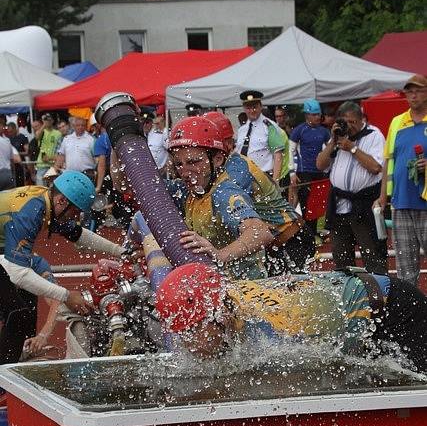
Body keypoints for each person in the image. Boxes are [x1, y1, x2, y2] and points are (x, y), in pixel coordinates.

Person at [155, 262, 427, 375]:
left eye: (192, 332)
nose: (188, 345)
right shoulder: (224, 297)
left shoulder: (267, 329)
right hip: (366, 307)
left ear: (221, 316)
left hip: (395, 309)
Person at [0, 171, 126, 364]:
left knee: (28, 296)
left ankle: (18, 352)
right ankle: (4, 373)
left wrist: (121, 251)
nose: (75, 218)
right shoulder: (32, 212)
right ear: (62, 201)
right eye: (75, 213)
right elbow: (18, 274)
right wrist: (67, 295)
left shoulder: (49, 205)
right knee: (16, 310)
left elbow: (78, 235)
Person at [204, 111, 315, 274]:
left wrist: (220, 254)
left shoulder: (236, 169)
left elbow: (236, 214)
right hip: (280, 240)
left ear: (226, 144)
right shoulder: (230, 165)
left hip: (291, 240)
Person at [167, 115, 274, 280]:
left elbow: (260, 232)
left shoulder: (223, 193)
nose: (185, 172)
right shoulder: (187, 189)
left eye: (194, 162)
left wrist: (220, 255)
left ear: (217, 160)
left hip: (247, 290)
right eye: (179, 164)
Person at [317, 101, 387, 274]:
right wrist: (333, 142)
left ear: (361, 119)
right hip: (339, 207)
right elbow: (320, 164)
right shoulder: (338, 137)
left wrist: (352, 148)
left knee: (372, 255)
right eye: (345, 122)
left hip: (364, 204)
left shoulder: (374, 135)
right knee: (341, 257)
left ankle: (380, 294)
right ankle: (347, 293)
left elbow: (376, 167)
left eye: (352, 122)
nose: (349, 126)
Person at [374, 74, 427, 286]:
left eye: (418, 90)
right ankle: (412, 314)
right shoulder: (397, 122)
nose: (413, 95)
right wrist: (383, 197)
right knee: (405, 269)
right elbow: (388, 162)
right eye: (409, 91)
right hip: (401, 204)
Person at [288, 99, 331, 229]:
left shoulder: (324, 131)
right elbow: (290, 151)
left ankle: (316, 231)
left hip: (320, 172)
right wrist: (292, 173)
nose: (318, 117)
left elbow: (330, 150)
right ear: (307, 115)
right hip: (304, 172)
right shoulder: (299, 130)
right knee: (306, 203)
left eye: (319, 114)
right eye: (315, 114)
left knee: (318, 204)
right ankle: (308, 232)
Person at [236, 90, 287, 183]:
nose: (252, 110)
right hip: (244, 178)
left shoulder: (268, 126)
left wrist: (276, 182)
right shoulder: (242, 130)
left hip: (263, 177)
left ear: (261, 106)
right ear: (244, 108)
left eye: (255, 107)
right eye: (248, 108)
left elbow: (278, 155)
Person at [55, 116, 96, 180]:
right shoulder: (67, 139)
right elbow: (61, 155)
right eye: (78, 125)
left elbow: (97, 158)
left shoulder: (91, 139)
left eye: (82, 125)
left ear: (85, 126)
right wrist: (57, 166)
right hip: (70, 174)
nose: (80, 127)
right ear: (74, 126)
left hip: (87, 174)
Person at [34, 113, 61, 184]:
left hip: (52, 164)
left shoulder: (58, 133)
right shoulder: (42, 131)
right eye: (45, 119)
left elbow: (59, 149)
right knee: (41, 187)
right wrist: (44, 125)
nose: (47, 121)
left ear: (52, 120)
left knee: (52, 187)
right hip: (41, 164)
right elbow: (37, 137)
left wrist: (51, 158)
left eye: (49, 119)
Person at [7, 122, 28, 186]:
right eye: (9, 131)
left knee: (21, 183)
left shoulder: (22, 137)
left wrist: (16, 154)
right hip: (12, 166)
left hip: (21, 165)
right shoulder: (8, 139)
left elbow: (27, 152)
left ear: (15, 129)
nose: (10, 133)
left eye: (11, 131)